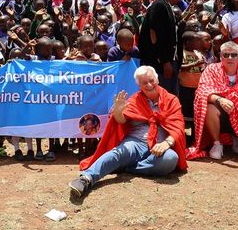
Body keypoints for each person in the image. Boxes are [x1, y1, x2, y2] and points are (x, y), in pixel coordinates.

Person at [68, 65, 187, 197]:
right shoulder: (134, 100)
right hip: (136, 142)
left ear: (157, 80)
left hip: (160, 146)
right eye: (144, 83)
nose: (149, 85)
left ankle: (128, 167)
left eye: (151, 81)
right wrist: (118, 112)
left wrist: (166, 143)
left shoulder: (171, 100)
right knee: (119, 153)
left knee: (171, 159)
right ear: (139, 86)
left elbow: (178, 126)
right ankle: (86, 178)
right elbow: (120, 121)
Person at [191, 41, 238, 160]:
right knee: (209, 107)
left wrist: (237, 104)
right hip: (220, 113)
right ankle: (217, 144)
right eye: (226, 55)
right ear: (220, 57)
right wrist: (220, 100)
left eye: (233, 55)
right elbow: (202, 91)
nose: (230, 58)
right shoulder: (211, 70)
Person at [138, 0, 180, 92]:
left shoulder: (165, 5)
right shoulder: (160, 6)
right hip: (159, 64)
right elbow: (154, 34)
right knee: (162, 94)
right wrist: (165, 61)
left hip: (165, 61)